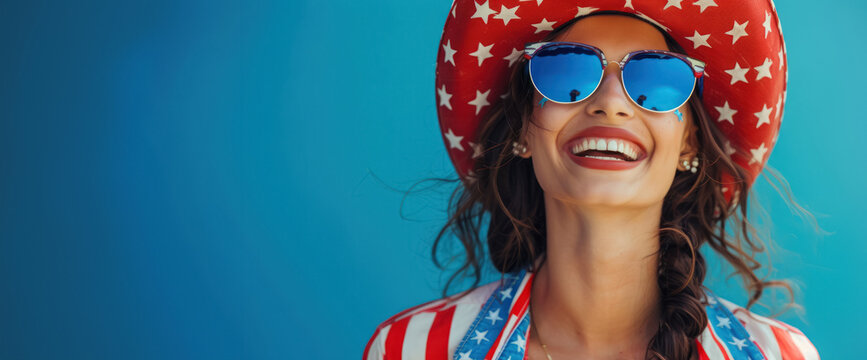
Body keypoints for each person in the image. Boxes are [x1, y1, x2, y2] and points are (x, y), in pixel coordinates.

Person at [364, 1, 819, 359]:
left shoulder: (778, 355)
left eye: (658, 78)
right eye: (565, 71)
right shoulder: (409, 349)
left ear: (689, 146)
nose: (611, 104)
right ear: (523, 131)